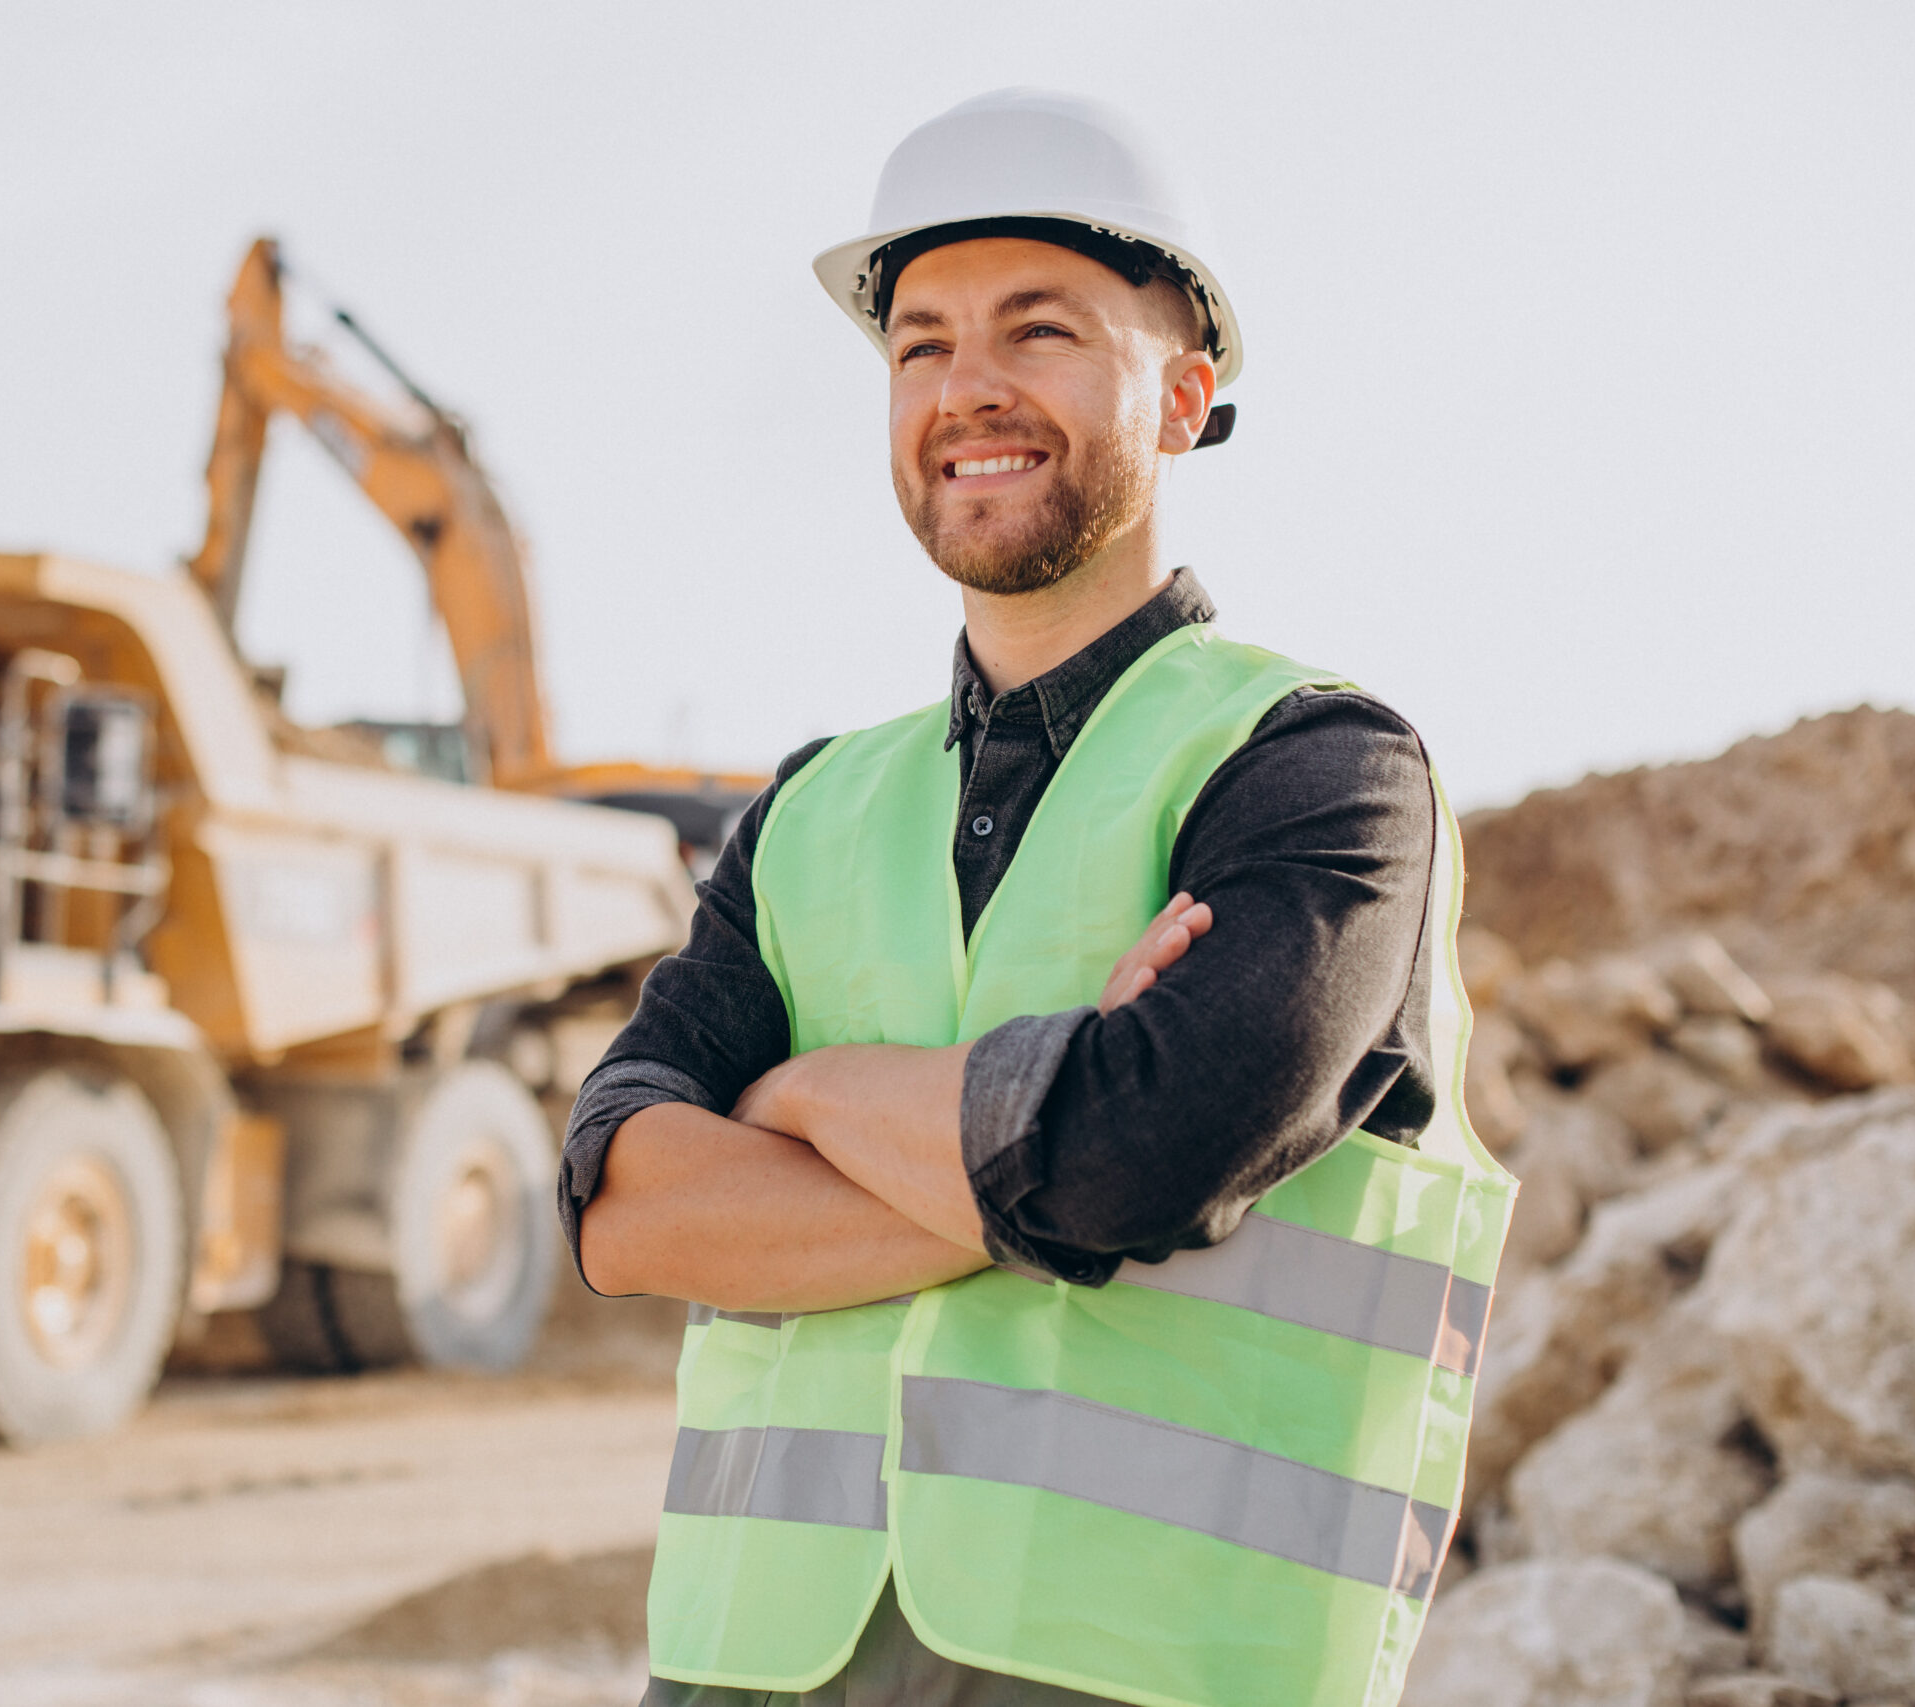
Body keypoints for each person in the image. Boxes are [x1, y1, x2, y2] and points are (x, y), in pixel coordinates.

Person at [561, 89, 1515, 1707]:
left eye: (1041, 333)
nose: (968, 389)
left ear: (1185, 396)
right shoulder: (809, 811)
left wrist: (793, 1098)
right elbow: (625, 1210)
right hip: (751, 1665)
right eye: (920, 344)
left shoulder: (1324, 775)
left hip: (1147, 1665)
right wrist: (1035, 1147)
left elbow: (1135, 1162)